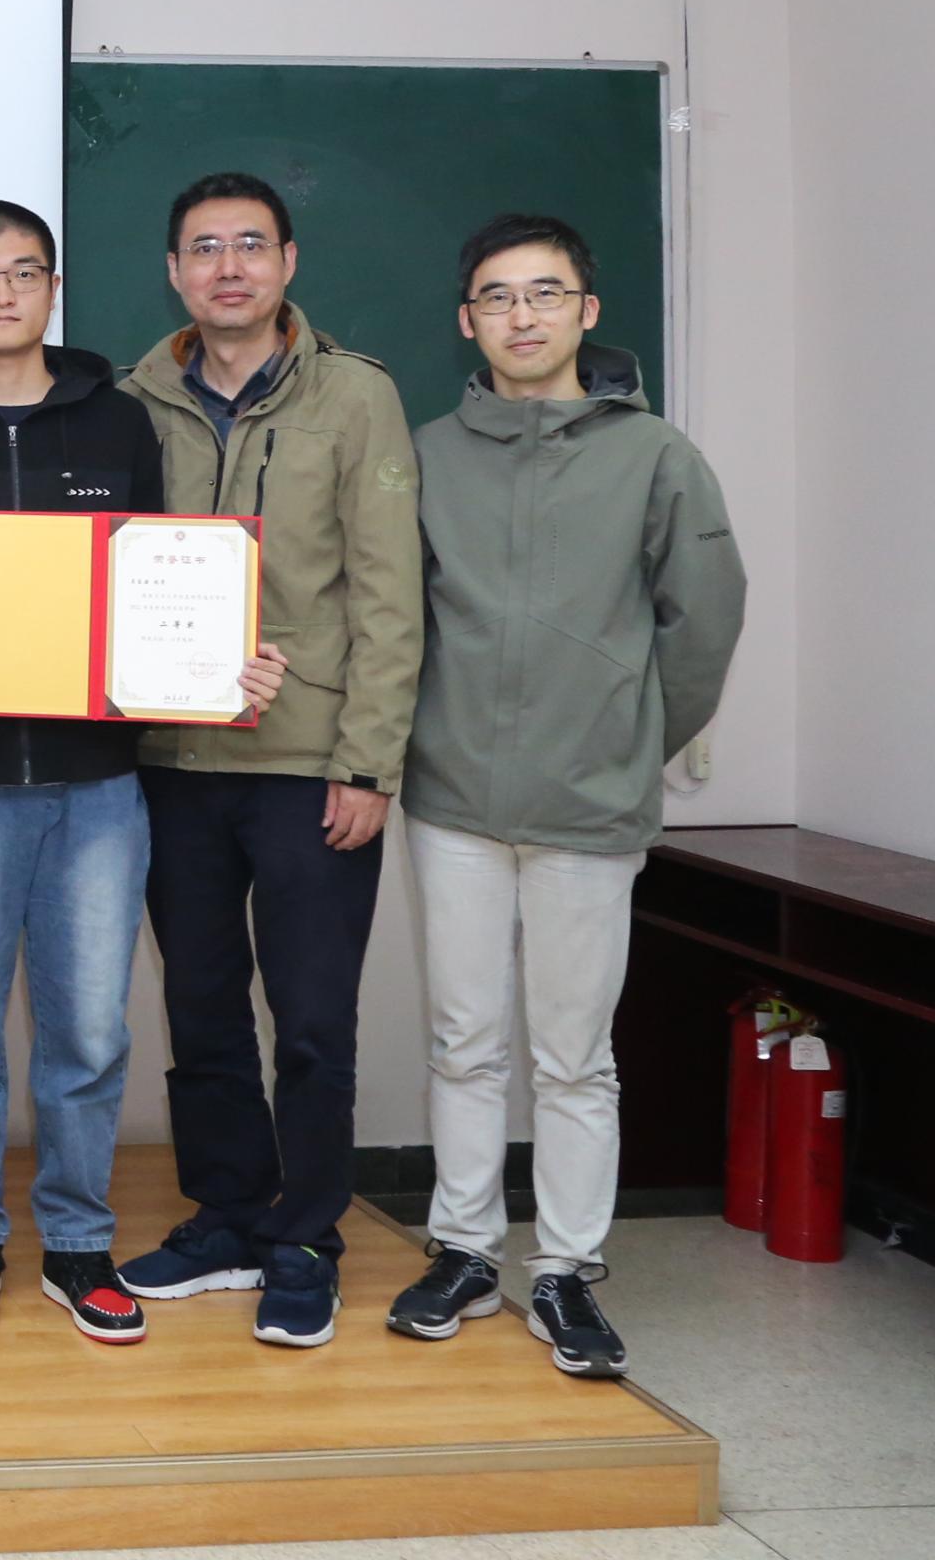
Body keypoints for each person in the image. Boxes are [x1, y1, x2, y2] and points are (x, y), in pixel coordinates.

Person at [0, 201, 284, 1348]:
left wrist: (224, 663)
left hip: (100, 787)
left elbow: (162, 585)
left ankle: (79, 1238)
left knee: (90, 1031)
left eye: (23, 271)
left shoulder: (121, 421)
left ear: (54, 287)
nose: (1, 291)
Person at [386, 215, 744, 1378]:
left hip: (591, 803)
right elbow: (398, 615)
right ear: (468, 320)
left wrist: (633, 741)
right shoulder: (428, 453)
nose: (523, 315)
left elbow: (703, 622)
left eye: (546, 293)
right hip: (453, 797)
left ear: (587, 311)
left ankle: (567, 1268)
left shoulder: (657, 455)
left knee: (575, 1053)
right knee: (464, 1039)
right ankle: (463, 1248)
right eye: (498, 296)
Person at [115, 171, 423, 1350]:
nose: (228, 266)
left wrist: (369, 763)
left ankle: (304, 1237)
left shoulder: (355, 395)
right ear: (175, 272)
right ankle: (228, 1215)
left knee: (310, 1019)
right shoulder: (133, 397)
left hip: (311, 764)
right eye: (205, 247)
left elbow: (390, 594)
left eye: (251, 244)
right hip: (170, 761)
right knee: (200, 1010)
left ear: (289, 262)